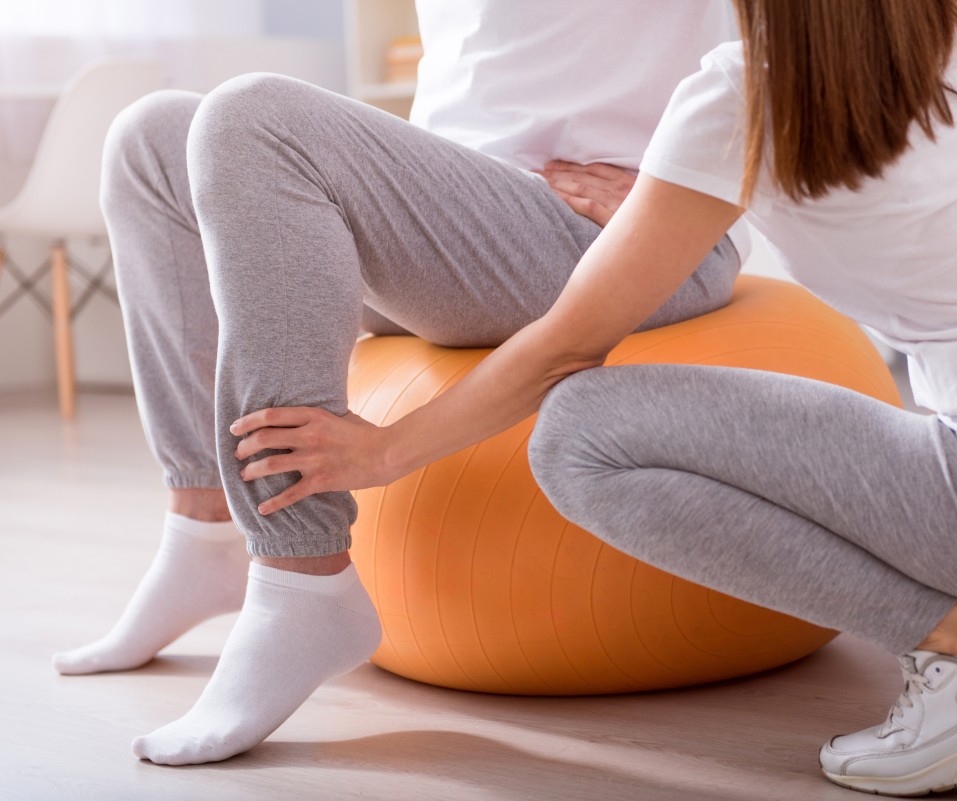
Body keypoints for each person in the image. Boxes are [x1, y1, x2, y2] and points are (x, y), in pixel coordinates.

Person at [228, 0, 957, 794]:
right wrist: (668, 194)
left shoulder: (744, 101)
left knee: (582, 436)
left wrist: (383, 453)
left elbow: (565, 346)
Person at [52, 0, 748, 766]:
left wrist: (696, 193)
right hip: (456, 227)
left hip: (610, 234)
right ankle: (202, 531)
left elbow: (825, 51)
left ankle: (303, 580)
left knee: (255, 115)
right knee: (148, 136)